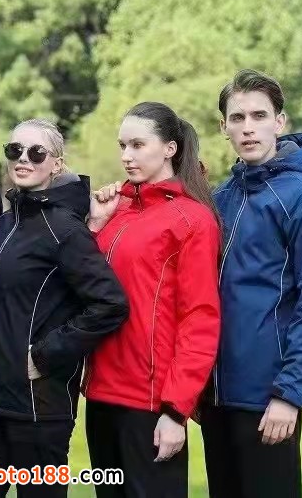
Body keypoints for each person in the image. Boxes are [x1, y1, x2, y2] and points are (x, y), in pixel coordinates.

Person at [0, 119, 129, 498]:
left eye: (36, 153)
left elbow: (110, 303)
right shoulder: (4, 223)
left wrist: (48, 353)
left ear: (56, 164)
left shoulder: (65, 229)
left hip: (37, 411)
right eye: (15, 150)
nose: (23, 159)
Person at [199, 69, 302, 498]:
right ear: (223, 127)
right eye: (237, 118)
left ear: (279, 122)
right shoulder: (222, 197)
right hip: (217, 396)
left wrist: (289, 394)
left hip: (269, 395)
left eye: (259, 116)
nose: (248, 127)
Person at [82, 102, 221, 498]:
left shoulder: (193, 220)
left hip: (151, 404)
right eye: (122, 145)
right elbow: (85, 289)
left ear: (170, 149)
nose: (126, 156)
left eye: (138, 145)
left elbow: (200, 318)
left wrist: (176, 411)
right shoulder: (116, 212)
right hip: (101, 396)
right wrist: (95, 225)